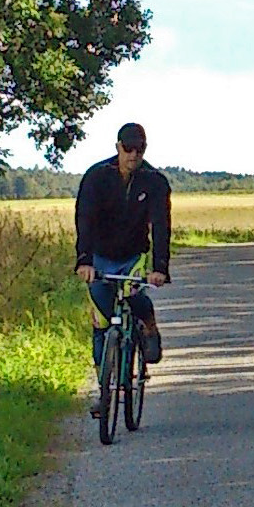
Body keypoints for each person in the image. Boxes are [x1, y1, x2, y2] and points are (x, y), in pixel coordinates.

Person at [74, 122, 172, 404]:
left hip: (134, 255)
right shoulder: (96, 176)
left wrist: (159, 268)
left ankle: (149, 325)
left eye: (139, 149)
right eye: (127, 148)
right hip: (100, 256)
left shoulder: (154, 181)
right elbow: (84, 219)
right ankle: (103, 389)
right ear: (117, 147)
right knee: (101, 322)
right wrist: (84, 260)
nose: (133, 155)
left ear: (145, 149)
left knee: (133, 294)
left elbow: (160, 226)